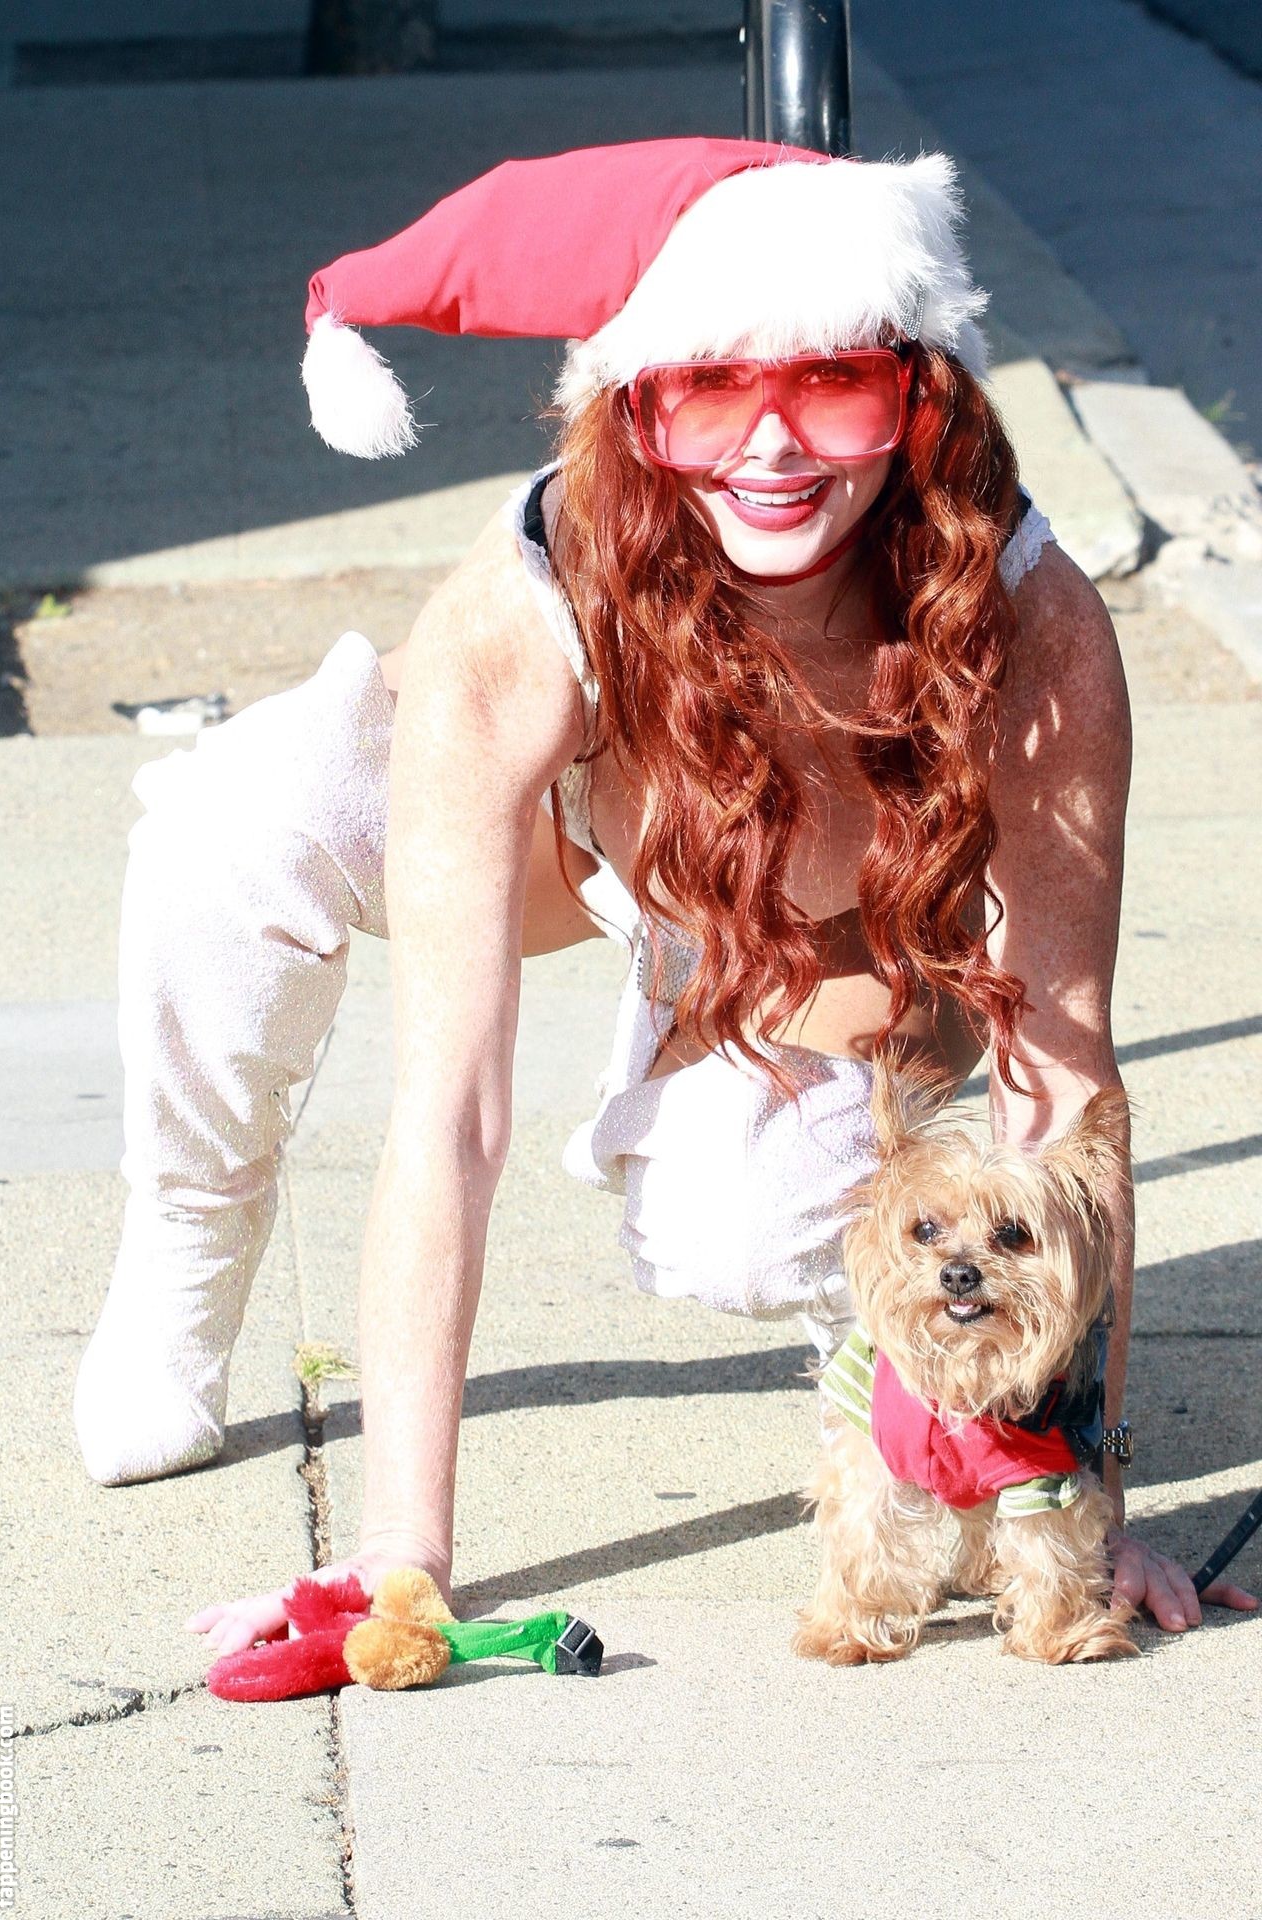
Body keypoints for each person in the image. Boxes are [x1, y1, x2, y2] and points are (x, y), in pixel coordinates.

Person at [72, 138, 1256, 1652]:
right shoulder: (522, 610)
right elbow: (452, 1108)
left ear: (917, 395)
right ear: (635, 406)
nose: (773, 448)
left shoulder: (1033, 618)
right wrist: (399, 1553)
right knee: (221, 833)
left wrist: (1087, 1498)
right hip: (572, 838)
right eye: (708, 389)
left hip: (813, 905)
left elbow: (1066, 1069)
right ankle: (191, 1233)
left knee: (738, 1235)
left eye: (835, 384)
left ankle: (918, 1373)